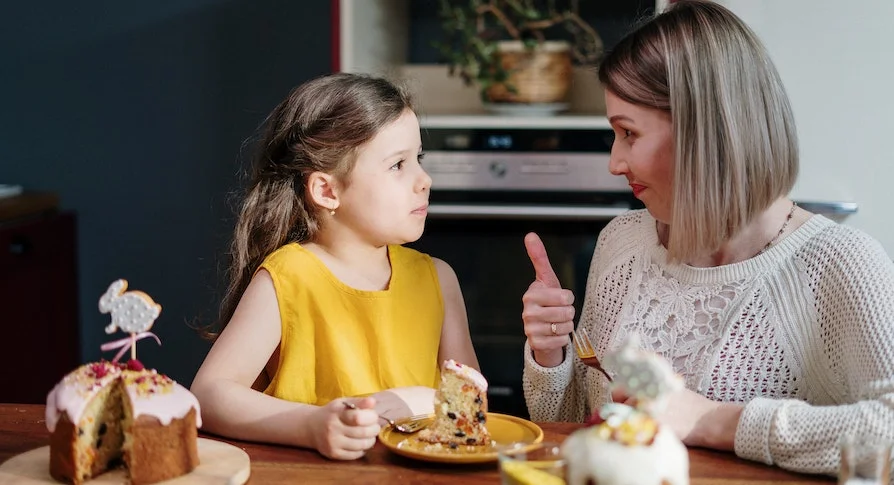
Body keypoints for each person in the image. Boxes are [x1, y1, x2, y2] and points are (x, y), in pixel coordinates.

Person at [520, 0, 894, 478]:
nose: (615, 162)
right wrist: (551, 354)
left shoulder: (840, 265)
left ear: (704, 132)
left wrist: (711, 420)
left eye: (628, 134)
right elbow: (573, 432)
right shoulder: (622, 243)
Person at [191, 73, 479, 460]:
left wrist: (413, 401)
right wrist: (312, 425)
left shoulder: (438, 279)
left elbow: (471, 406)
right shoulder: (288, 278)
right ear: (327, 191)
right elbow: (208, 396)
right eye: (398, 165)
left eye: (419, 159)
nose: (423, 179)